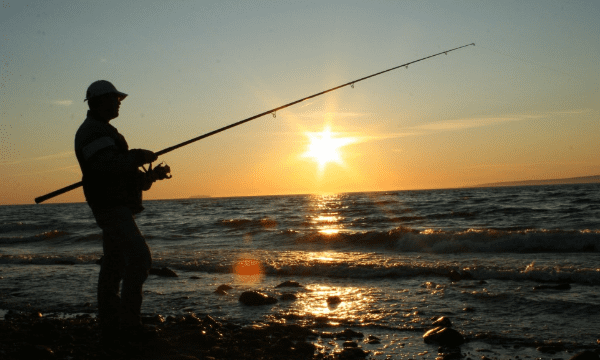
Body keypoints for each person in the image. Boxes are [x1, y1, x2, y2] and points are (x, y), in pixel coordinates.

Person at [74, 80, 169, 346]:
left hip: (115, 205)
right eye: (115, 99)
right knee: (139, 259)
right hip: (110, 207)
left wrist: (150, 177)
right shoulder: (92, 131)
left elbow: (117, 173)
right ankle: (128, 325)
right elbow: (106, 166)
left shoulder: (101, 129)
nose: (119, 103)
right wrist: (138, 155)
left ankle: (112, 322)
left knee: (114, 264)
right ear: (100, 101)